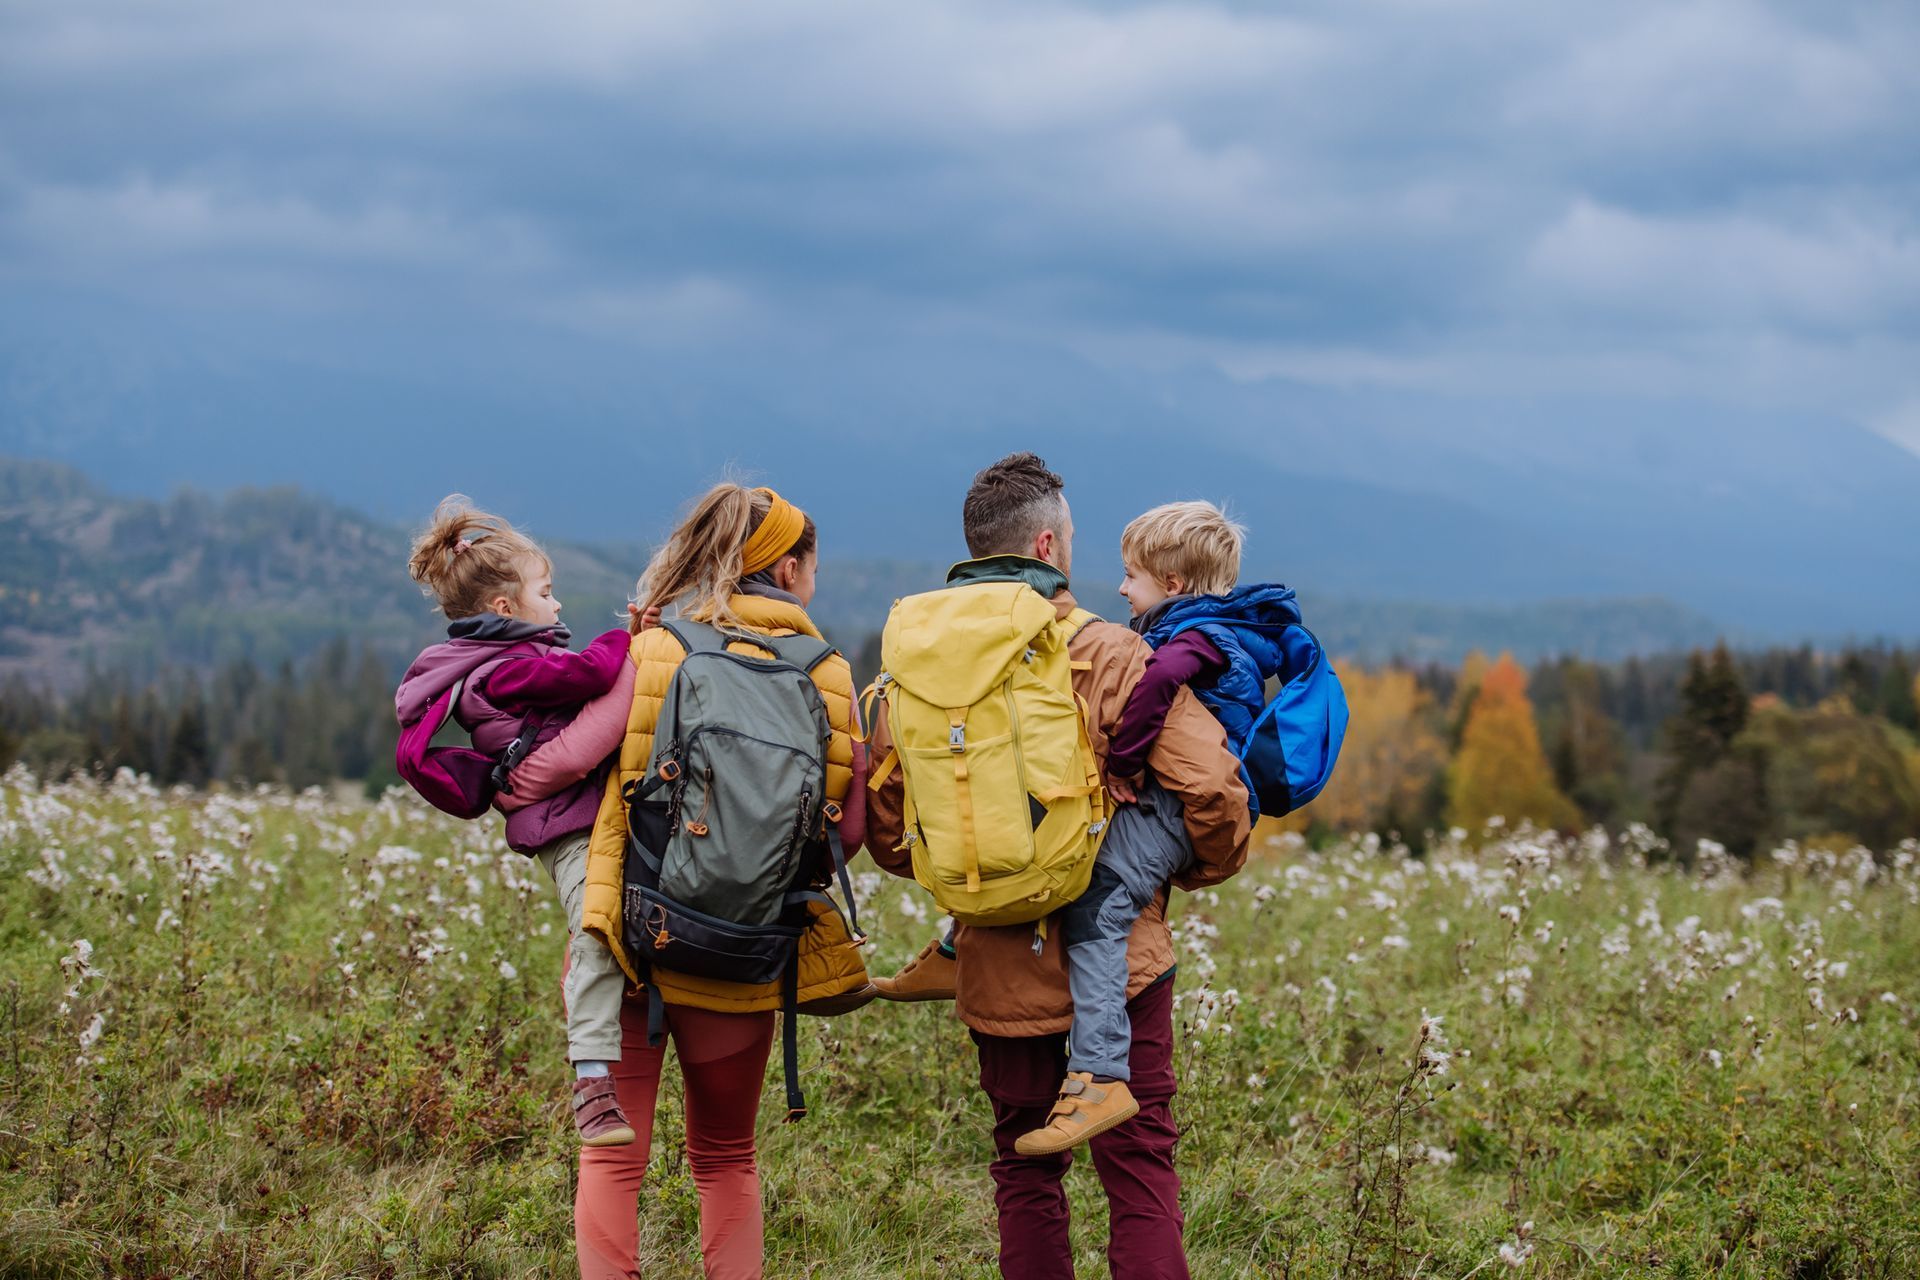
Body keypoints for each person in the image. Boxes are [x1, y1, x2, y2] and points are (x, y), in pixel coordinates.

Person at [864, 453, 1252, 1280]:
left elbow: (892, 832)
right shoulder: (1109, 651)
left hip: (994, 954)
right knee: (1140, 1166)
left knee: (1023, 1168)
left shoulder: (916, 663)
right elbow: (1213, 787)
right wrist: (1173, 872)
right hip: (1124, 957)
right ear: (1048, 544)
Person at [503, 483, 868, 1280]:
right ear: (793, 570)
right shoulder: (830, 676)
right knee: (727, 1158)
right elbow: (845, 835)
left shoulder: (655, 650)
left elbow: (598, 780)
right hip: (743, 951)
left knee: (611, 1164)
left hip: (632, 940)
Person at [393, 494, 638, 1147]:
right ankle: (591, 1080)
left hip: (571, 813)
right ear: (506, 609)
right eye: (547, 592)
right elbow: (593, 671)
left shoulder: (501, 664)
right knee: (596, 925)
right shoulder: (508, 673)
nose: (557, 606)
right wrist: (634, 637)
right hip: (567, 826)